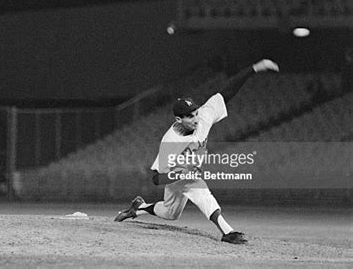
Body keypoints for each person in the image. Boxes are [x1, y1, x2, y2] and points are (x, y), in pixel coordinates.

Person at [114, 59, 280, 244]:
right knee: (199, 196)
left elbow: (227, 92)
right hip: (175, 174)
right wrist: (182, 173)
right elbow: (155, 178)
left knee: (171, 213)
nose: (195, 118)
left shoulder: (203, 116)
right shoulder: (171, 141)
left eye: (195, 112)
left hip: (189, 172)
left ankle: (139, 208)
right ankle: (228, 232)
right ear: (179, 119)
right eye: (190, 116)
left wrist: (254, 68)